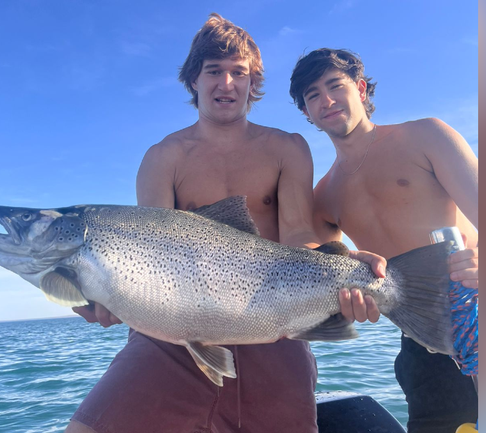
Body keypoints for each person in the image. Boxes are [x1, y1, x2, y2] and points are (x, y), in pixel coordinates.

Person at [65, 15, 386, 433]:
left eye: (241, 73)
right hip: (172, 334)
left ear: (254, 84)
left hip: (273, 326)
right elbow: (147, 260)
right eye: (214, 71)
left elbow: (297, 237)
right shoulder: (163, 157)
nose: (227, 84)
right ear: (192, 80)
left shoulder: (287, 147)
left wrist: (344, 269)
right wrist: (111, 298)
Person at [289, 48, 479, 433]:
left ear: (360, 89)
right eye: (312, 95)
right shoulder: (323, 197)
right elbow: (319, 265)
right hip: (422, 342)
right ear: (306, 113)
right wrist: (348, 301)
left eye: (334, 86)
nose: (325, 100)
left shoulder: (425, 135)